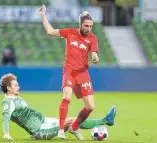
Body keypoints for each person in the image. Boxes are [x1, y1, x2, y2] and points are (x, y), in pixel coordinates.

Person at [39, 5, 114, 139]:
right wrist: (43, 15)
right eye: (86, 26)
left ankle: (74, 127)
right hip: (69, 71)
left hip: (82, 73)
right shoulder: (70, 33)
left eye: (91, 26)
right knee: (66, 97)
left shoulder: (92, 38)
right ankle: (61, 130)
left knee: (90, 106)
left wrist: (95, 57)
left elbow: (94, 52)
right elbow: (50, 31)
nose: (88, 29)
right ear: (79, 24)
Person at [0, 73, 117, 141]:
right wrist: (6, 133)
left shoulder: (15, 98)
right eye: (15, 85)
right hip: (40, 130)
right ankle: (106, 120)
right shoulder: (8, 102)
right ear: (9, 88)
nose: (18, 87)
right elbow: (6, 117)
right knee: (71, 121)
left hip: (44, 121)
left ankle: (75, 128)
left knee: (71, 120)